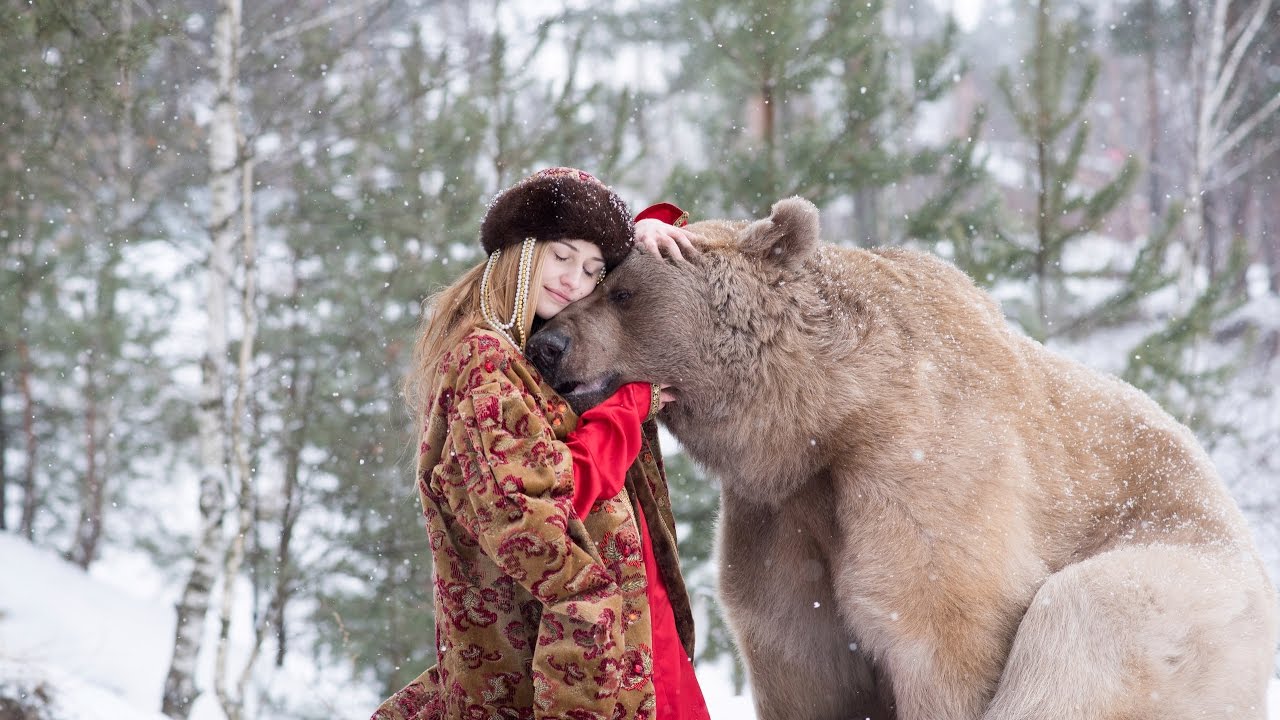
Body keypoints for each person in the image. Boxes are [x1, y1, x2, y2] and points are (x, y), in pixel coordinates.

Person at [372, 167, 710, 720]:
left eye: (592, 271)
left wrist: (643, 236)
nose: (573, 280)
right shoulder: (483, 362)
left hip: (626, 640)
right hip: (559, 659)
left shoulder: (533, 352)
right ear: (521, 249)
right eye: (562, 255)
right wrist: (629, 409)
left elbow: (618, 316)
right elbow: (546, 502)